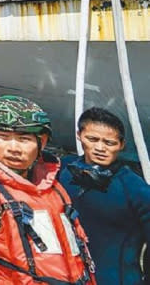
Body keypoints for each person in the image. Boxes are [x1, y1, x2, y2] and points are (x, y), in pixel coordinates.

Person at [0, 96, 95, 285]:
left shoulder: (51, 185)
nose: (13, 148)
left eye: (24, 139)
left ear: (42, 143)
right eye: (3, 137)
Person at [59, 107, 150, 285]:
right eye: (92, 139)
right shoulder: (61, 171)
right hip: (61, 277)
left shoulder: (135, 189)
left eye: (109, 143)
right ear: (79, 135)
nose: (100, 148)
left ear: (122, 145)